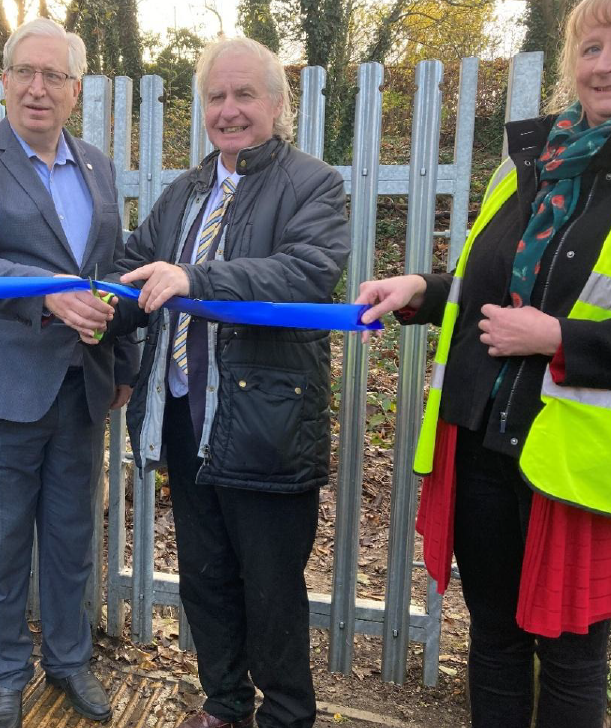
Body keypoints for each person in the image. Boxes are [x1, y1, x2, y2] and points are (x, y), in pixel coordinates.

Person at [356, 0, 611, 724]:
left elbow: (544, 318)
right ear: (571, 63)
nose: (603, 64)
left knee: (568, 655)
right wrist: (421, 290)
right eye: (590, 47)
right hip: (481, 442)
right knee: (494, 639)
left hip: (573, 465)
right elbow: (486, 287)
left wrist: (559, 340)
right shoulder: (531, 160)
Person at [104, 37, 350, 728]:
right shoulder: (183, 192)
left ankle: (286, 715)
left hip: (265, 420)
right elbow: (133, 270)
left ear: (277, 104)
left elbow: (305, 271)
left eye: (245, 95)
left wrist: (195, 279)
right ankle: (223, 705)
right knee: (205, 578)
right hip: (184, 416)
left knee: (270, 587)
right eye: (216, 96)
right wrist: (92, 311)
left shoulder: (312, 183)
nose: (229, 109)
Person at [0, 17, 137, 728]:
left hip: (83, 382)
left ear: (75, 90)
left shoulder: (97, 166)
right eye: (25, 71)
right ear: (3, 79)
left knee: (70, 536)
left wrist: (127, 362)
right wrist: (44, 286)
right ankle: (3, 675)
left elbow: (114, 276)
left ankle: (69, 661)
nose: (37, 88)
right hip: (1, 386)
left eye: (54, 76)